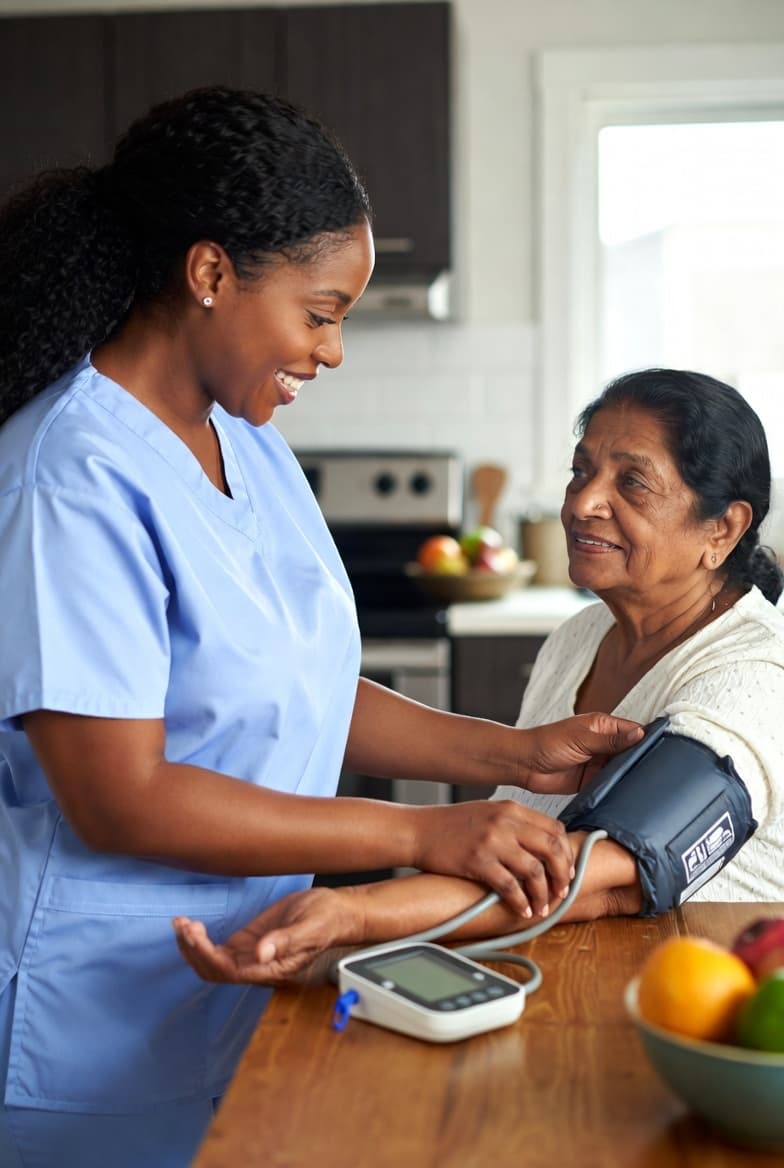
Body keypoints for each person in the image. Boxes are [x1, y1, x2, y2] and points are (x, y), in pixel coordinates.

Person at [0, 86, 642, 1167]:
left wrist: (514, 754)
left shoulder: (244, 439)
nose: (332, 351)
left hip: (240, 976)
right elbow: (121, 795)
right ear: (210, 275)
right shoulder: (70, 472)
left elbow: (291, 689)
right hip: (87, 1024)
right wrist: (418, 832)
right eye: (321, 311)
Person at [175, 367, 784, 984]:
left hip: (697, 1021)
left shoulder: (754, 676)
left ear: (723, 528)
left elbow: (602, 879)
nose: (582, 503)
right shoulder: (579, 639)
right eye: (581, 471)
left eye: (631, 482)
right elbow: (518, 866)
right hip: (558, 983)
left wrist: (350, 913)